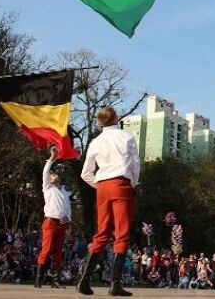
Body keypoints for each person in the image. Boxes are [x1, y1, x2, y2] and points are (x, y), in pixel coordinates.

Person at [78, 107, 140, 297]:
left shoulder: (96, 142)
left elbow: (85, 173)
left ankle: (84, 279)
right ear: (117, 118)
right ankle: (115, 284)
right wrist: (133, 184)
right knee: (121, 233)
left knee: (102, 232)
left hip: (102, 186)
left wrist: (100, 186)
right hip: (121, 184)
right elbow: (135, 164)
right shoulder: (127, 137)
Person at [35, 146, 71, 289]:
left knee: (58, 252)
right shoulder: (48, 187)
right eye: (52, 174)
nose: (53, 174)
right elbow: (45, 172)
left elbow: (68, 209)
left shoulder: (65, 192)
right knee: (46, 249)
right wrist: (52, 158)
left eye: (55, 174)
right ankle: (39, 279)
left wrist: (68, 217)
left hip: (62, 224)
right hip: (50, 222)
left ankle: (54, 280)